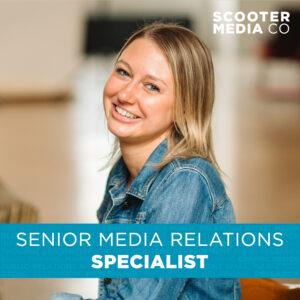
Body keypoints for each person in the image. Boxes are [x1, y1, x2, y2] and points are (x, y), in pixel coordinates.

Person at [52, 22, 241, 300]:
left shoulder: (187, 181)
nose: (125, 94)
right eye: (123, 72)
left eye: (151, 87)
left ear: (185, 108)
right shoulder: (121, 176)